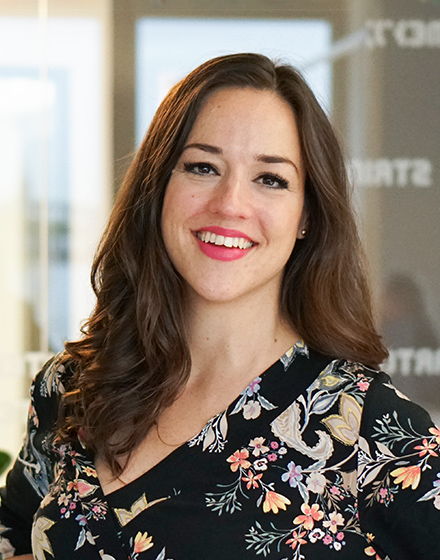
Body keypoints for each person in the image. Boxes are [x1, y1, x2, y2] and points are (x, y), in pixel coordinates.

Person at [1, 52, 439, 560]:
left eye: (270, 179)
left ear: (306, 217)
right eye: (203, 167)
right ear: (159, 187)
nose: (230, 203)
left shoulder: (370, 433)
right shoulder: (70, 388)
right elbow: (15, 531)